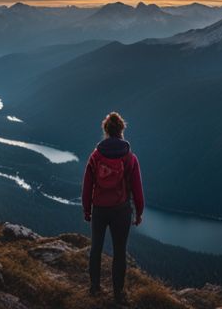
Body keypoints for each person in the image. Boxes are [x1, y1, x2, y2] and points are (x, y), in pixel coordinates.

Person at [82, 111, 144, 304]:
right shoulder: (130, 158)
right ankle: (118, 294)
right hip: (121, 210)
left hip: (99, 209)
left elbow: (87, 186)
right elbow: (137, 188)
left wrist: (87, 210)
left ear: (106, 130)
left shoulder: (95, 156)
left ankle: (94, 288)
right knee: (119, 252)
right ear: (121, 130)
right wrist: (139, 212)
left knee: (96, 249)